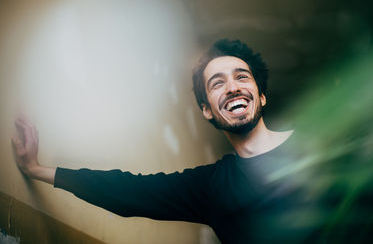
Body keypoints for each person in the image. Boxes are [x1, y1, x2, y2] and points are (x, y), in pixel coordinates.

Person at [12, 39, 305, 243]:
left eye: (242, 77)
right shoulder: (210, 188)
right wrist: (36, 170)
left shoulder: (315, 147)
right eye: (217, 83)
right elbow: (126, 190)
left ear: (262, 96)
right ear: (206, 110)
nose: (231, 88)